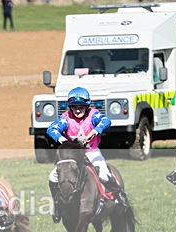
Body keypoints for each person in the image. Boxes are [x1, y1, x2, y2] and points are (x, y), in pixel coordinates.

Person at [47, 87, 129, 222]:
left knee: (104, 174)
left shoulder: (93, 115)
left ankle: (119, 195)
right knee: (52, 177)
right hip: (72, 156)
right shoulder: (65, 118)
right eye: (74, 107)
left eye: (81, 107)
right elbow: (51, 129)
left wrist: (94, 131)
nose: (77, 110)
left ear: (87, 106)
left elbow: (106, 120)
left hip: (92, 152)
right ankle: (57, 205)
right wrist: (63, 140)